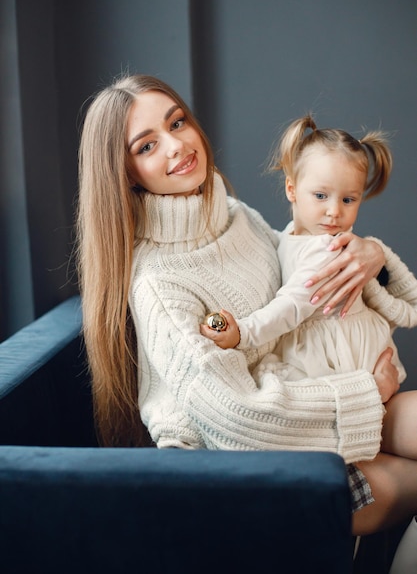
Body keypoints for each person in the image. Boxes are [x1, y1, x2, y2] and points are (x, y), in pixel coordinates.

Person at [76, 73, 417, 538]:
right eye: (146, 146)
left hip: (310, 413)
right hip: (246, 473)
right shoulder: (158, 283)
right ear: (123, 172)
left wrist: (371, 254)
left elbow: (300, 262)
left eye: (177, 124)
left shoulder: (235, 216)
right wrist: (367, 393)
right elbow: (237, 418)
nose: (175, 146)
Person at [200, 115, 417, 391]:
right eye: (321, 196)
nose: (335, 211)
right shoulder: (290, 235)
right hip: (320, 341)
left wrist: (243, 332)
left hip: (338, 350)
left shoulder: (327, 249)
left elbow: (292, 305)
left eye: (348, 199)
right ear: (292, 189)